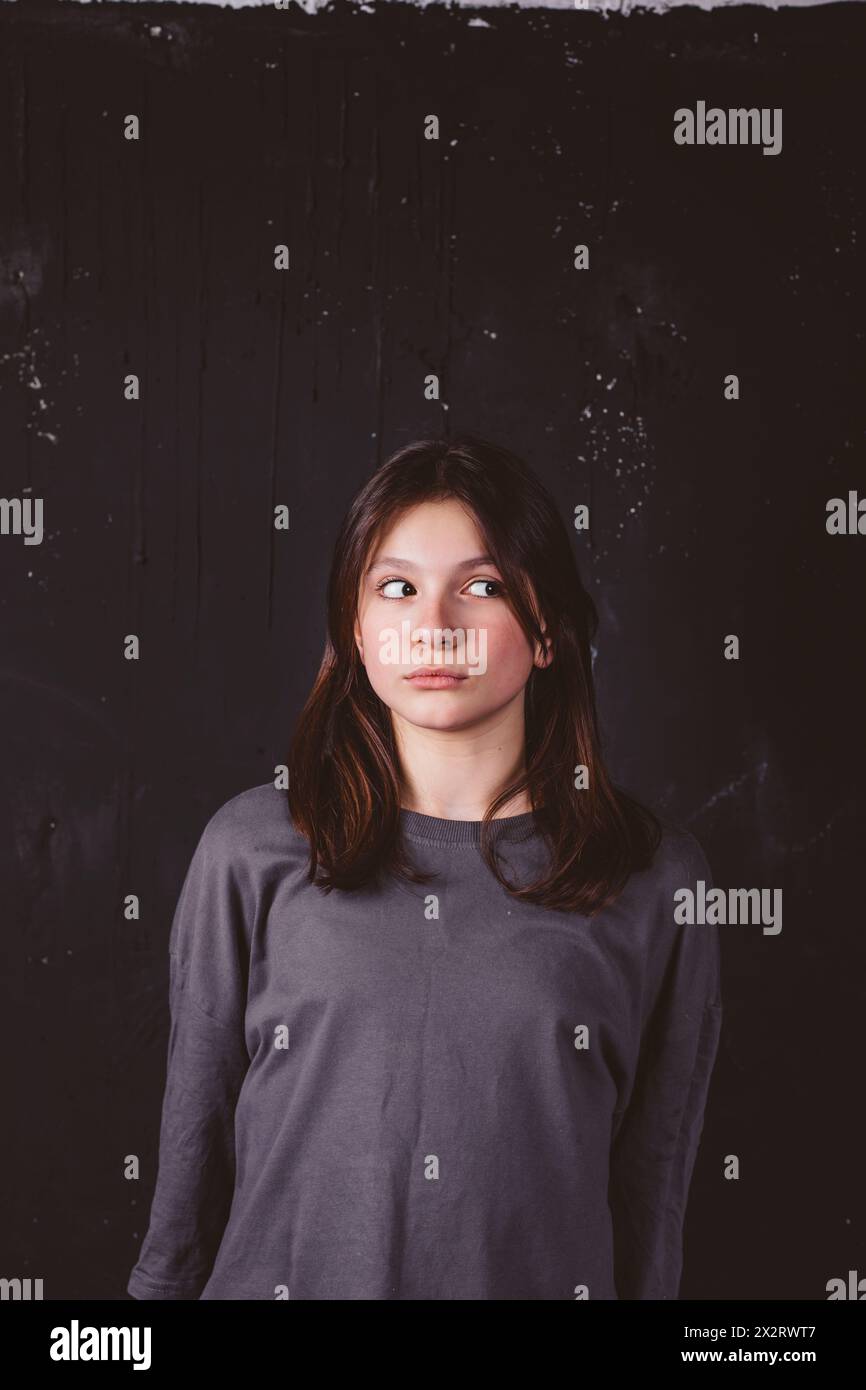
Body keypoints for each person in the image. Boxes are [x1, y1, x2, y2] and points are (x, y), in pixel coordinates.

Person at [127, 433, 722, 1301]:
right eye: (397, 588)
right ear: (358, 632)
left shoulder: (657, 880)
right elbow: (190, 1163)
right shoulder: (251, 848)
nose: (436, 627)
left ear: (547, 629)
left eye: (481, 587)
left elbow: (651, 1194)